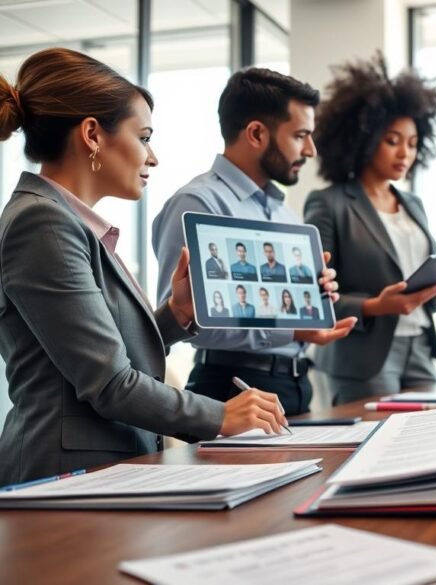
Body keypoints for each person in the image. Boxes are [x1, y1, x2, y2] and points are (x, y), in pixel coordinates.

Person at [0, 48, 288, 484]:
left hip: (100, 471)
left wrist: (175, 315)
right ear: (93, 135)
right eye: (145, 137)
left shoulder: (68, 222)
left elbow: (103, 351)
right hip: (60, 476)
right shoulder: (44, 224)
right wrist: (221, 416)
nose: (152, 158)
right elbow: (109, 384)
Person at [151, 68, 357, 416]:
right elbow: (182, 324)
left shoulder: (283, 213)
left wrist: (313, 296)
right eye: (301, 135)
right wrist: (292, 333)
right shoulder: (198, 204)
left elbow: (280, 311)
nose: (310, 149)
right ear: (257, 133)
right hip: (230, 388)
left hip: (295, 386)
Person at [305, 53, 436, 404]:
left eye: (411, 144)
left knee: (430, 442)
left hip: (421, 348)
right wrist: (376, 305)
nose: (404, 154)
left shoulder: (413, 205)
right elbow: (314, 295)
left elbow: (414, 290)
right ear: (364, 137)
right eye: (393, 141)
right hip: (364, 358)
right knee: (377, 448)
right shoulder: (329, 203)